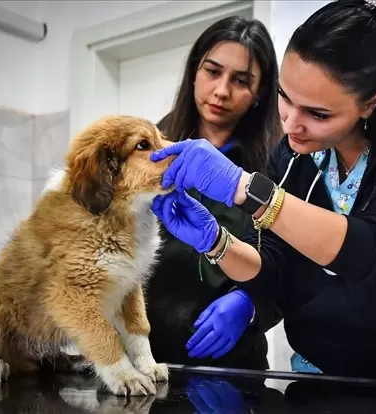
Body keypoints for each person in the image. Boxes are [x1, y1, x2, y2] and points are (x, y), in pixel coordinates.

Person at [150, 0, 376, 386]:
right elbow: (277, 272)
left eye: (318, 114)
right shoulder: (291, 157)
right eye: (285, 98)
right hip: (324, 379)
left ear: (371, 103)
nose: (291, 124)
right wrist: (217, 243)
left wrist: (244, 189)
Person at [145, 15, 283, 370]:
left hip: (236, 367)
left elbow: (293, 267)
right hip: (145, 359)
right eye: (212, 71)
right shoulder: (148, 150)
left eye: (241, 80)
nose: (222, 91)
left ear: (260, 92)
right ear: (194, 71)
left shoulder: (278, 164)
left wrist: (251, 304)